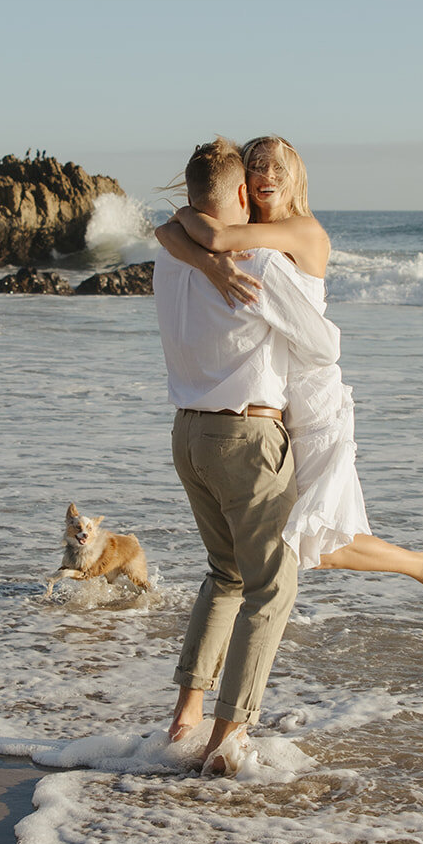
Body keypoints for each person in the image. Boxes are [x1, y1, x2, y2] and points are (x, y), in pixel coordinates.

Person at [158, 135, 423, 624]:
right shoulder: (252, 235)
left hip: (311, 390)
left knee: (307, 540)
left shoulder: (303, 231)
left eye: (278, 167)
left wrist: (209, 255)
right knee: (299, 541)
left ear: (297, 177)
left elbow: (201, 233)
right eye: (256, 165)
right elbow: (169, 230)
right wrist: (206, 260)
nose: (267, 175)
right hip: (274, 394)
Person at [152, 137, 342, 775]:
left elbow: (173, 233)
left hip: (188, 436)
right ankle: (226, 736)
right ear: (239, 195)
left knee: (226, 573)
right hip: (246, 438)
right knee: (271, 585)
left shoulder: (171, 262)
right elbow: (318, 344)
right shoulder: (258, 260)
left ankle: (185, 714)